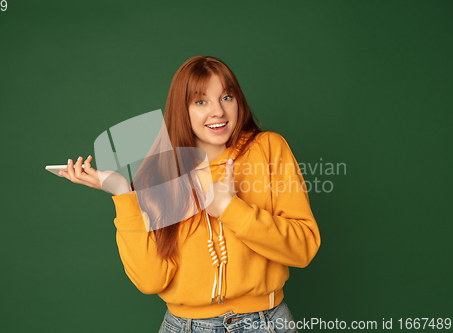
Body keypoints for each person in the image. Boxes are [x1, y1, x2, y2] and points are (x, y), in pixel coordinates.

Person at [59, 55, 321, 333]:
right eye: (201, 102)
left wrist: (230, 209)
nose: (218, 112)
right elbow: (151, 280)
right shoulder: (158, 171)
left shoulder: (268, 149)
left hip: (265, 323)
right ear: (181, 110)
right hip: (184, 327)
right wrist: (122, 192)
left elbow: (303, 248)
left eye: (227, 97)